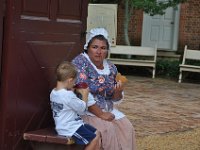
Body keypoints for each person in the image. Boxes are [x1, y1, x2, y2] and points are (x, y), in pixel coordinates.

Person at [72, 28, 136, 150]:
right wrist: (101, 114)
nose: (99, 52)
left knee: (127, 128)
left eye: (103, 48)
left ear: (107, 50)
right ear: (87, 47)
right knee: (107, 129)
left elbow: (114, 98)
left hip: (106, 109)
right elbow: (82, 93)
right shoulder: (80, 63)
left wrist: (118, 92)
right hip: (85, 111)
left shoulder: (111, 67)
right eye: (95, 47)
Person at [50, 61, 100, 150]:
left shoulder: (54, 92)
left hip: (68, 125)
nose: (74, 83)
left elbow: (66, 102)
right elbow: (82, 110)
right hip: (70, 128)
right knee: (94, 138)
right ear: (69, 80)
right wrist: (85, 94)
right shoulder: (68, 95)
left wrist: (71, 91)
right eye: (74, 81)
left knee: (97, 132)